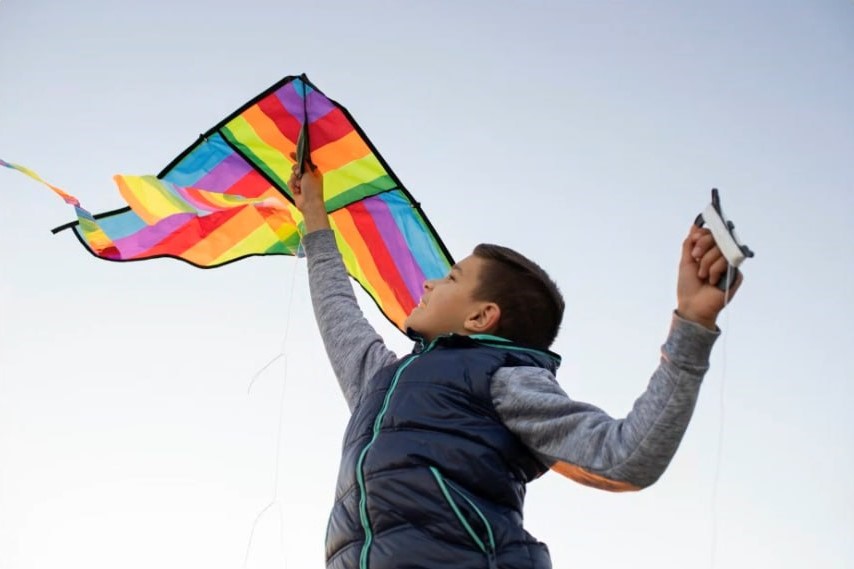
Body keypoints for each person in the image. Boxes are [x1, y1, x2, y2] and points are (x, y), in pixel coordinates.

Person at [288, 160, 739, 569]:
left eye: (451, 278)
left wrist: (692, 324)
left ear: (480, 317)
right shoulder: (380, 382)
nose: (428, 284)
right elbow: (337, 312)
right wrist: (313, 214)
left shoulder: (503, 380)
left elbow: (627, 457)